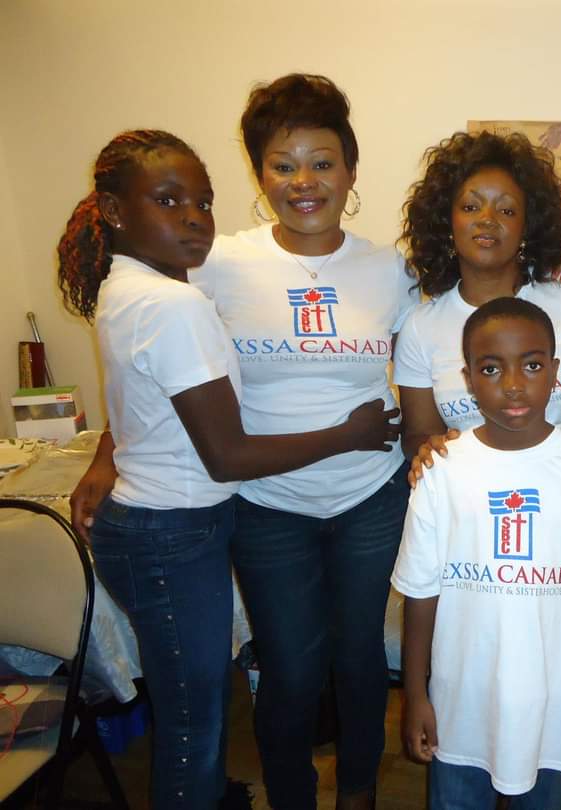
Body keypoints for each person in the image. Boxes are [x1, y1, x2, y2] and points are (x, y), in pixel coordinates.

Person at [68, 75, 417, 810]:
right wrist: (107, 456)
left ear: (351, 170)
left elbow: (467, 312)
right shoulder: (213, 260)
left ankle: (358, 792)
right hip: (264, 503)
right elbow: (154, 373)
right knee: (289, 667)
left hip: (368, 495)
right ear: (260, 175)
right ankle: (291, 797)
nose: (303, 182)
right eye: (282, 165)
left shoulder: (390, 269)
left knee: (360, 656)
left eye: (322, 163)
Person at [392, 297, 561, 810]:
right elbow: (420, 595)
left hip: (553, 710)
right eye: (492, 369)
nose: (513, 385)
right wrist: (416, 696)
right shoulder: (442, 471)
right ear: (469, 378)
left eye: (532, 366)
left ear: (556, 373)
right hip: (458, 708)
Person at [395, 130, 561, 475]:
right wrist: (429, 448)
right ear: (447, 220)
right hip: (475, 490)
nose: (487, 219)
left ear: (526, 227)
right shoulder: (420, 327)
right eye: (470, 207)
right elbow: (418, 433)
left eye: (506, 210)